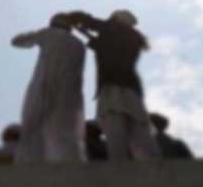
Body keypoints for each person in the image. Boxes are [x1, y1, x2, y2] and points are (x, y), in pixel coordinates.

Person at [68, 10, 160, 161]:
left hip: (113, 87)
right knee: (140, 132)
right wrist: (88, 36)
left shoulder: (113, 28)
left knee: (115, 130)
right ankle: (156, 169)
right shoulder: (133, 38)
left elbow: (92, 23)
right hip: (131, 88)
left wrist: (71, 17)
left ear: (116, 19)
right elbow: (109, 50)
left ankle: (120, 168)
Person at [13, 13, 86, 163]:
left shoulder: (48, 33)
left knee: (34, 125)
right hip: (70, 92)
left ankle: (31, 165)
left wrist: (39, 34)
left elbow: (17, 41)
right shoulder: (80, 44)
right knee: (66, 129)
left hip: (45, 85)